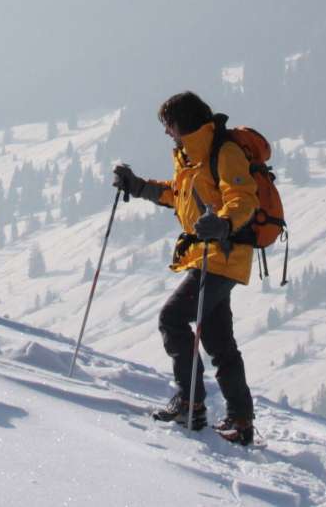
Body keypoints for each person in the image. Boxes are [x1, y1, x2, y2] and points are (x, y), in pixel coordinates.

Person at [113, 91, 258, 445]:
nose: (167, 132)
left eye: (169, 125)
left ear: (183, 123)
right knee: (218, 340)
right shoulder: (191, 156)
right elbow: (176, 195)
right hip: (210, 254)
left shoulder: (223, 152)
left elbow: (243, 199)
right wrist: (138, 186)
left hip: (221, 255)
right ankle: (240, 421)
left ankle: (191, 404)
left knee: (172, 318)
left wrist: (223, 223)